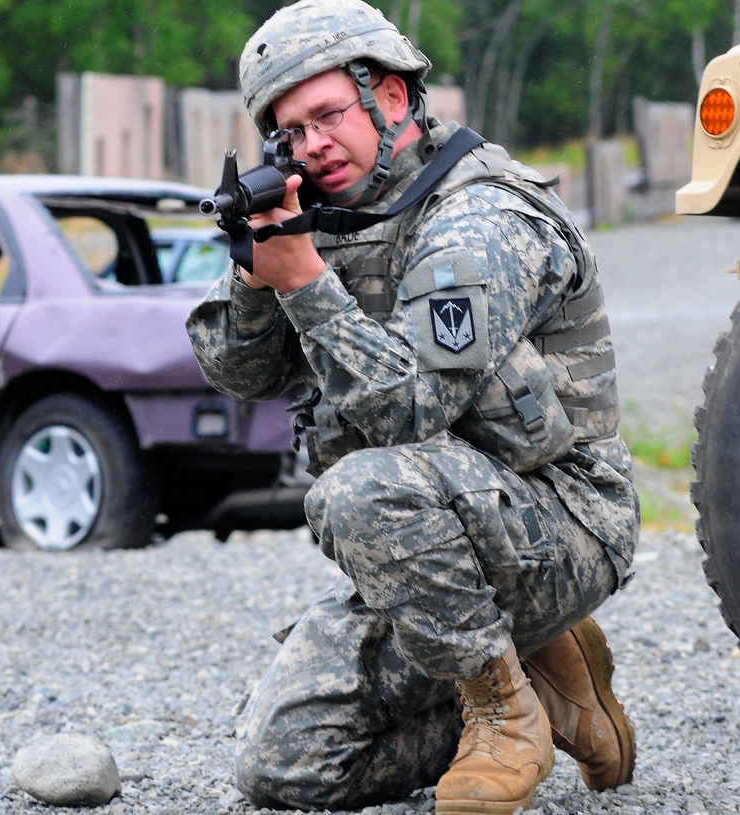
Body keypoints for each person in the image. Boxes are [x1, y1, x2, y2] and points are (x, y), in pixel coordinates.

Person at [186, 1, 639, 812]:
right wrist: (261, 274)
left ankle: (505, 716)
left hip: (562, 523)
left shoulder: (483, 217)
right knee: (282, 767)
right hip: (429, 557)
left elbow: (408, 410)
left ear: (390, 97)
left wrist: (304, 281)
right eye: (289, 132)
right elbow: (237, 373)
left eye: (327, 114)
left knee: (359, 488)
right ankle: (545, 669)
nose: (312, 144)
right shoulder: (325, 215)